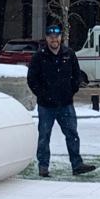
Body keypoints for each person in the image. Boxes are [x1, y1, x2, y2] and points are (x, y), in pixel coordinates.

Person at [27, 23, 96, 178]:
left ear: (60, 38)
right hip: (46, 106)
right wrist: (42, 94)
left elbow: (76, 75)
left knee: (72, 134)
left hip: (66, 104)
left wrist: (72, 90)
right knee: (44, 136)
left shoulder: (69, 54)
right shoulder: (39, 56)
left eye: (56, 37)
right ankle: (43, 166)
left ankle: (77, 164)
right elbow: (32, 79)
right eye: (51, 37)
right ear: (46, 38)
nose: (54, 40)